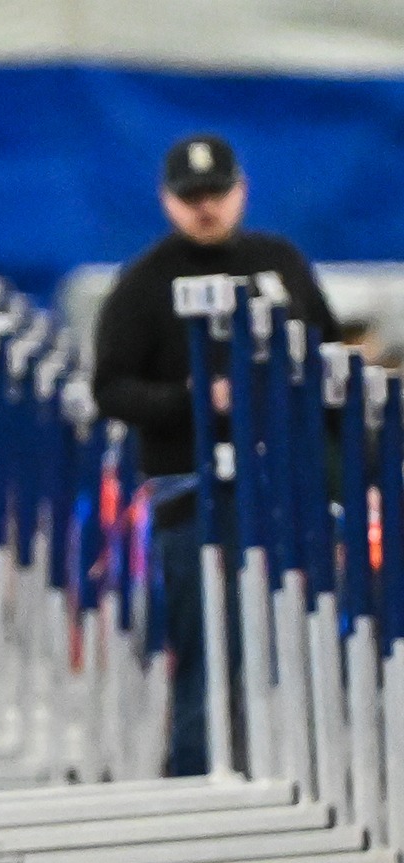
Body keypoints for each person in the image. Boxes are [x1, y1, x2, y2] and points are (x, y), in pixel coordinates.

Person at [92, 133, 338, 778]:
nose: (206, 209)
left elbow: (329, 355)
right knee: (206, 644)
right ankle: (194, 778)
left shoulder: (280, 262)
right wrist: (194, 399)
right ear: (167, 202)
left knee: (297, 638)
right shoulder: (146, 282)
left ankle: (297, 775)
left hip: (284, 483)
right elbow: (111, 387)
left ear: (242, 191)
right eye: (191, 198)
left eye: (217, 194)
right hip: (189, 489)